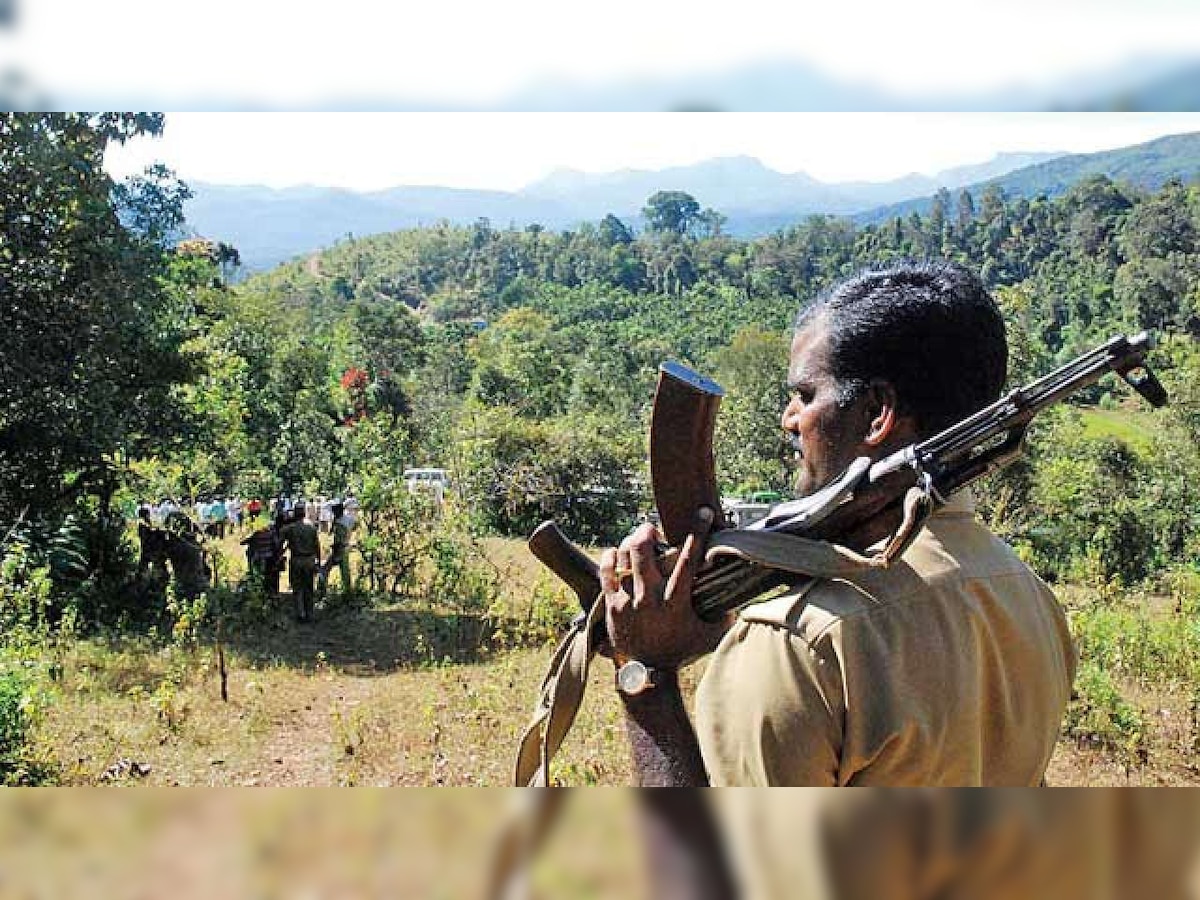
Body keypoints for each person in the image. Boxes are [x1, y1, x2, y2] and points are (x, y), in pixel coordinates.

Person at [599, 261, 1076, 787]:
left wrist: (646, 676)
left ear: (877, 414)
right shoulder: (1029, 597)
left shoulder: (796, 644)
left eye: (805, 395)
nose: (789, 419)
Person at [280, 506, 321, 623]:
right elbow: (317, 546)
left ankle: (300, 613)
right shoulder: (311, 528)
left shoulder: (290, 529)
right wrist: (318, 561)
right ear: (304, 514)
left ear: (294, 515)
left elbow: (280, 540)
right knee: (309, 588)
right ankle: (310, 613)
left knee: (297, 587)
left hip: (296, 560)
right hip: (309, 560)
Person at [319, 502, 352, 596]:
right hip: (338, 548)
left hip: (341, 548)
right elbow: (331, 533)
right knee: (326, 570)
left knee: (344, 572)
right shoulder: (337, 519)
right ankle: (322, 590)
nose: (333, 513)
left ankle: (347, 592)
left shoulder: (346, 519)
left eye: (335, 511)